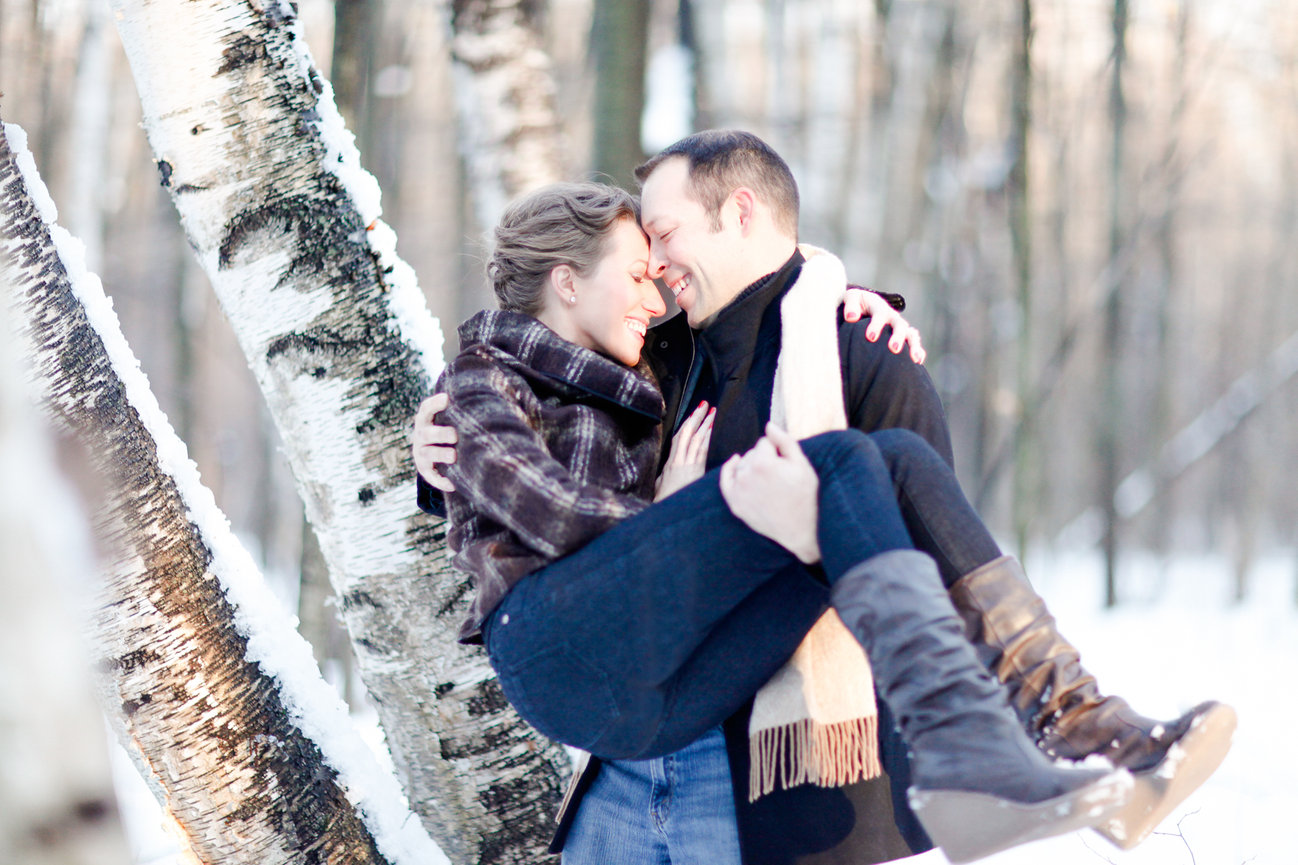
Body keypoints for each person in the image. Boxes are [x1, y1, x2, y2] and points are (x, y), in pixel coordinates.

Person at [413, 131, 1235, 863]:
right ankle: (1008, 739)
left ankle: (1073, 721)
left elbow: (913, 551)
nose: (656, 277)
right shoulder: (650, 354)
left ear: (738, 213)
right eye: (642, 259)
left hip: (756, 747)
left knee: (887, 466)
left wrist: (828, 296)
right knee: (835, 469)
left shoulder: (853, 345)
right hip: (612, 702)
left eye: (662, 239)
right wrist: (434, 455)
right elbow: (533, 463)